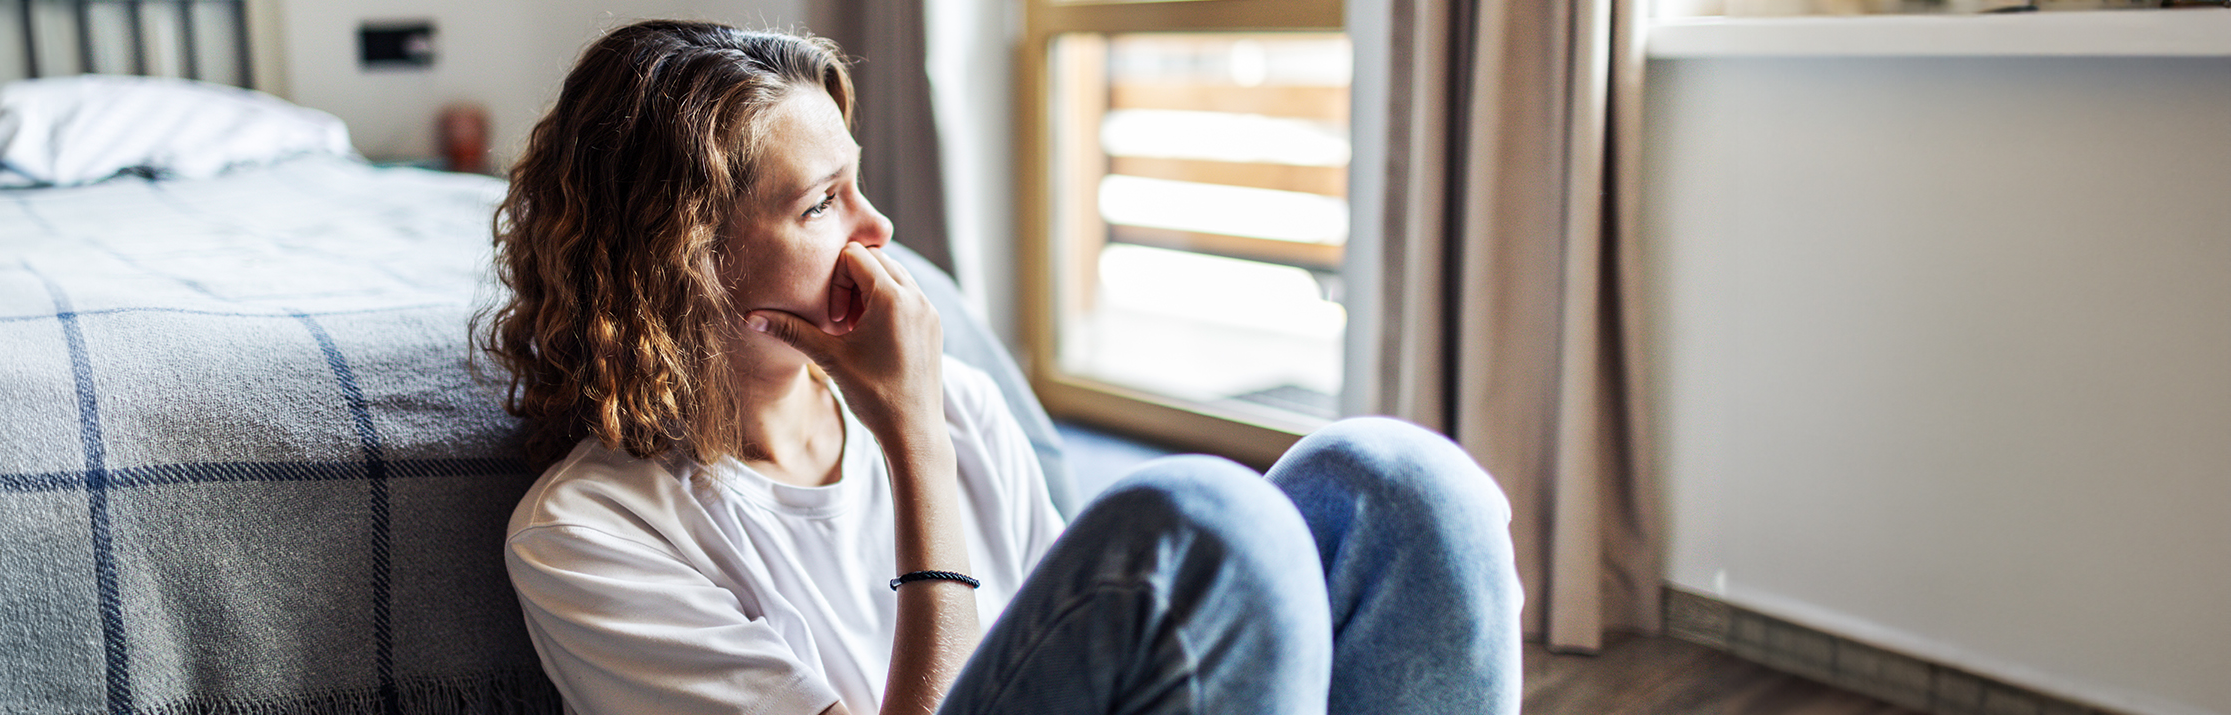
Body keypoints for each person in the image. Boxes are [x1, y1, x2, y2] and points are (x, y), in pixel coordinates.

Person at [481, 19, 1523, 715]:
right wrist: (913, 443)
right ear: (683, 261)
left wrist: (927, 419)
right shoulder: (588, 535)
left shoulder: (961, 399)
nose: (877, 229)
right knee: (1206, 520)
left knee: (1394, 481)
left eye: (858, 185)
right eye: (818, 204)